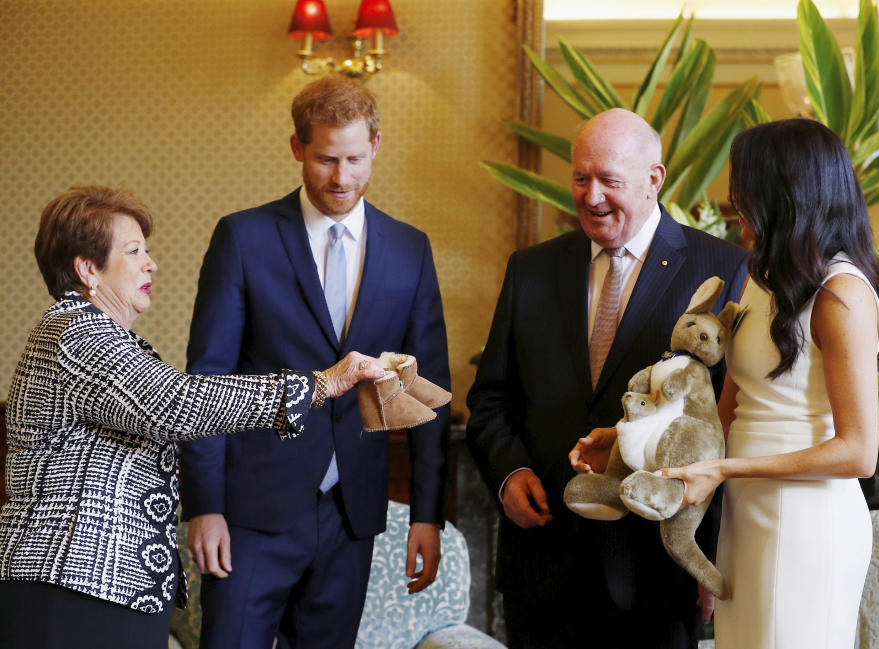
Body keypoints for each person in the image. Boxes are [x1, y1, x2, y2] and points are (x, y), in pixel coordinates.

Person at [0, 186, 383, 649]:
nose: (150, 263)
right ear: (87, 268)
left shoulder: (93, 332)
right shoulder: (76, 332)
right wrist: (320, 384)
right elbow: (179, 404)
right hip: (72, 584)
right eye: (134, 250)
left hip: (104, 586)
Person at [180, 75, 450, 649]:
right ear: (298, 147)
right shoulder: (242, 237)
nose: (342, 177)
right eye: (326, 159)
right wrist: (205, 508)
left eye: (355, 158)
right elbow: (204, 383)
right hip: (251, 511)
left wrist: (427, 514)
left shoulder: (410, 248)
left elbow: (427, 388)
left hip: (351, 513)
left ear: (376, 146)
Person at [465, 107, 748, 649]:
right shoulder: (532, 268)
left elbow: (728, 423)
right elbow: (492, 396)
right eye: (580, 177)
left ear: (653, 179)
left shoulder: (721, 269)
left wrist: (711, 552)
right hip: (541, 557)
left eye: (610, 181)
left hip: (657, 569)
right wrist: (509, 473)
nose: (591, 196)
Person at [652, 118, 879, 649]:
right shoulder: (763, 283)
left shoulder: (840, 294)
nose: (733, 198)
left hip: (807, 523)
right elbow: (723, 415)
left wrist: (727, 469)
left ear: (786, 192)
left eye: (745, 184)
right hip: (746, 513)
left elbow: (858, 453)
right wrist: (639, 440)